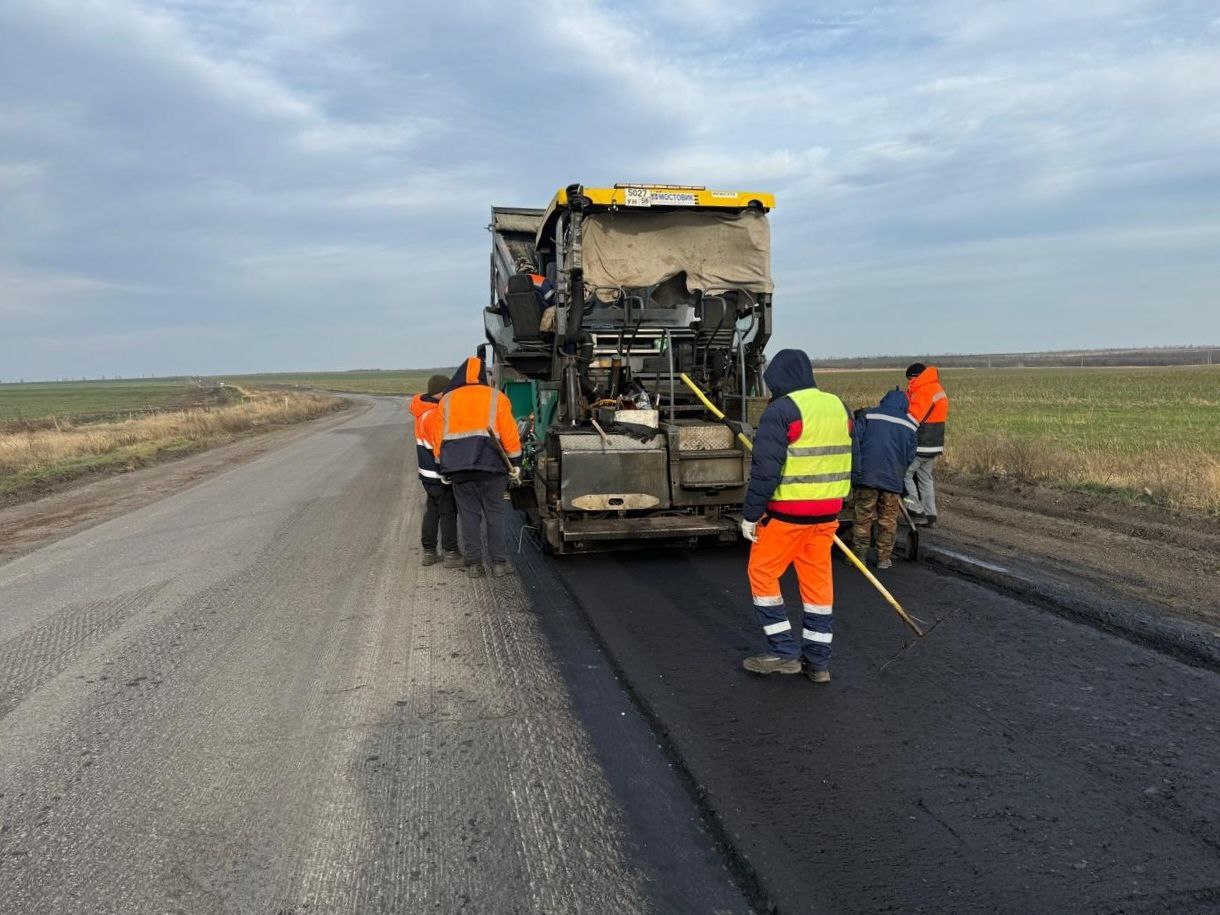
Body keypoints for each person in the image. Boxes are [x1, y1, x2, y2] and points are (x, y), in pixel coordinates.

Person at [739, 349, 853, 684]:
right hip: (827, 515)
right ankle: (818, 663)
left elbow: (765, 472)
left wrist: (750, 515)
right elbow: (853, 459)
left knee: (761, 574)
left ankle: (783, 651)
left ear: (779, 379)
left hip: (787, 517)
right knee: (818, 589)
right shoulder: (838, 406)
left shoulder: (782, 411)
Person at [435, 356, 522, 578]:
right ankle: (499, 564)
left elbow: (439, 438)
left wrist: (441, 466)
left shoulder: (447, 400)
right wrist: (516, 462)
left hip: (458, 469)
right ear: (483, 376)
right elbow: (510, 434)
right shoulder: (497, 397)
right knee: (495, 515)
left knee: (469, 517)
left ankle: (475, 565)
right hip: (492, 467)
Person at [851, 389, 917, 569]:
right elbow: (910, 455)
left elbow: (855, 442)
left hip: (867, 477)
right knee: (888, 521)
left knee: (863, 518)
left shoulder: (868, 416)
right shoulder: (910, 425)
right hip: (893, 480)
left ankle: (859, 557)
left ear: (884, 401)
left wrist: (856, 470)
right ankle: (884, 559)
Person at [410, 375, 463, 569]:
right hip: (438, 474)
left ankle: (429, 552)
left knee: (432, 510)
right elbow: (441, 448)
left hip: (427, 474)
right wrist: (448, 473)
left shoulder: (423, 411)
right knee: (448, 512)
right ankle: (451, 553)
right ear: (441, 393)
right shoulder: (434, 415)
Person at [902, 363, 949, 527]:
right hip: (934, 444)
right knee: (925, 478)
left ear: (915, 377)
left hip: (920, 443)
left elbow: (913, 418)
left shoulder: (924, 390)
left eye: (909, 380)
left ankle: (916, 511)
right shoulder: (936, 388)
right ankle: (931, 516)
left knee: (905, 475)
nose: (909, 383)